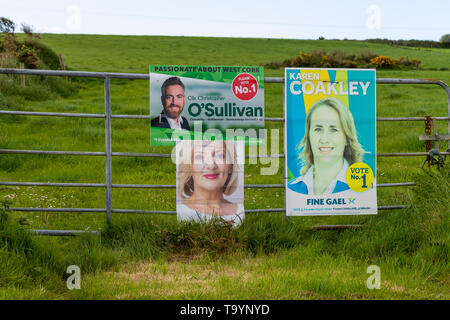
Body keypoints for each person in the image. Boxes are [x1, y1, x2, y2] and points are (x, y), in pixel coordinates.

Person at [288, 97, 366, 195]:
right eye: (318, 129)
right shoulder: (292, 189)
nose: (324, 139)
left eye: (333, 130)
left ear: (347, 137)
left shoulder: (364, 188)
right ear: (308, 136)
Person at [177, 140, 244, 226]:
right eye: (200, 157)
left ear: (230, 166)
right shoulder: (179, 213)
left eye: (220, 155)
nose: (211, 165)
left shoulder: (243, 212)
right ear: (189, 167)